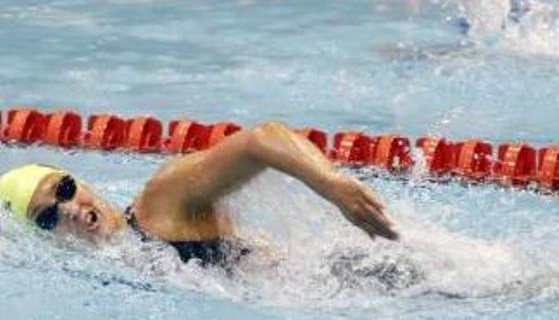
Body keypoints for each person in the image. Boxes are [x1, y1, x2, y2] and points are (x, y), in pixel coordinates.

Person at [0, 121, 398, 267]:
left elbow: (260, 140)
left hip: (363, 276)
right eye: (48, 218)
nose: (68, 210)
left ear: (79, 180)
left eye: (64, 190)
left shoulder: (159, 204)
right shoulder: (122, 263)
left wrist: (330, 185)